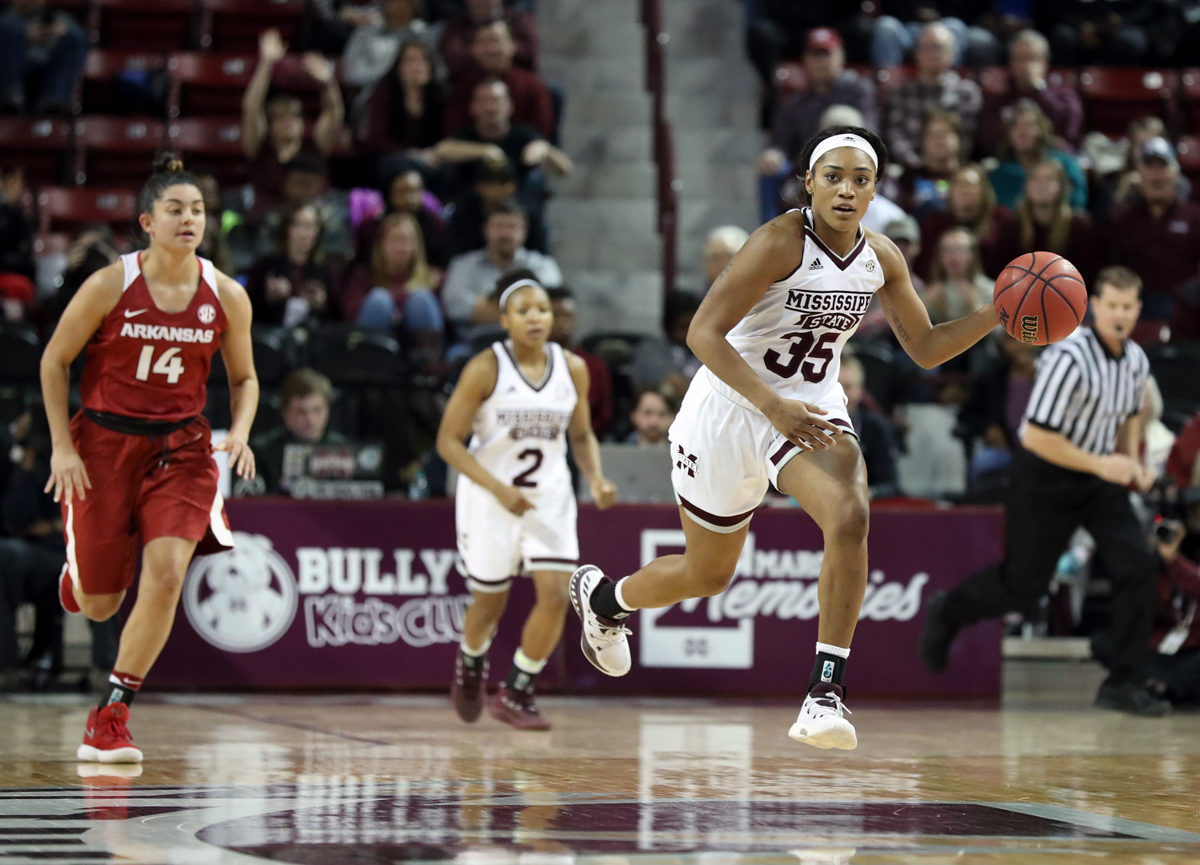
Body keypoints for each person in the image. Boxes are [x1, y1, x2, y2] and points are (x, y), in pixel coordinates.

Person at [568, 126, 1000, 750]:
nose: (847, 191)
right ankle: (606, 598)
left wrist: (995, 314)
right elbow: (703, 335)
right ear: (809, 182)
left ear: (876, 189)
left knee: (850, 516)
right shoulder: (777, 242)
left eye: (861, 180)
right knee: (707, 574)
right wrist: (772, 406)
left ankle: (824, 693)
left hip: (811, 406)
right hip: (730, 406)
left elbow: (927, 349)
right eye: (834, 177)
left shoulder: (883, 257)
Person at [39, 153, 258, 761]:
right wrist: (61, 447)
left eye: (197, 210)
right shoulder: (112, 283)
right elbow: (53, 361)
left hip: (182, 448)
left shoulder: (226, 295)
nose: (189, 219)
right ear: (147, 221)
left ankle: (111, 714)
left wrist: (239, 430)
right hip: (103, 444)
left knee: (166, 576)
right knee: (100, 601)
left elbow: (244, 379)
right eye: (175, 209)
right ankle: (79, 575)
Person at [921, 266, 1168, 717]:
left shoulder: (1136, 360)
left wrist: (1133, 461)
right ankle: (949, 610)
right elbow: (1034, 436)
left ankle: (1123, 680)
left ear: (1138, 310)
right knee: (1023, 588)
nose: (1119, 314)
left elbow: (1131, 413)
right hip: (1045, 476)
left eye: (1128, 307)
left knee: (1139, 565)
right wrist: (1104, 464)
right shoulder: (1068, 356)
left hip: (1098, 479)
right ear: (1094, 304)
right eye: (1111, 305)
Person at [437, 271, 616, 730]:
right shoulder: (485, 367)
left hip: (548, 498)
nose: (536, 318)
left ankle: (517, 690)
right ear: (505, 320)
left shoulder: (571, 367)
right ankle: (472, 661)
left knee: (556, 595)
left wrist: (595, 478)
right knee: (489, 605)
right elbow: (448, 442)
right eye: (524, 311)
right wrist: (497, 488)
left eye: (543, 310)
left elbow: (581, 434)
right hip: (490, 497)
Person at [242, 30, 346, 219]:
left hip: (312, 223)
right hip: (267, 223)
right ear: (270, 125)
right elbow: (251, 108)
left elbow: (334, 114)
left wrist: (328, 82)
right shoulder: (260, 147)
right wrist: (266, 64)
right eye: (281, 118)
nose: (288, 122)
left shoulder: (314, 145)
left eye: (295, 117)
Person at [755, 28, 877, 185]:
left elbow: (871, 131)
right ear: (805, 60)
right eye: (815, 55)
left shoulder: (858, 91)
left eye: (826, 54)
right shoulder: (795, 102)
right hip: (807, 170)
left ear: (841, 56)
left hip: (852, 163)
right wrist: (773, 154)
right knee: (770, 169)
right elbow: (780, 144)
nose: (821, 62)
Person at [1103, 138, 1200, 333]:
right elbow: (1107, 267)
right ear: (1139, 174)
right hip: (1132, 302)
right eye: (1150, 167)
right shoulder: (1120, 217)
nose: (1156, 176)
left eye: (1163, 167)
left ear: (1176, 173)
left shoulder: (1194, 217)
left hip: (1181, 304)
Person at [338, 212, 444, 366]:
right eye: (394, 240)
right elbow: (351, 313)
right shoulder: (362, 276)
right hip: (375, 350)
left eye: (406, 240)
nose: (400, 246)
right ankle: (370, 368)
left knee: (421, 298)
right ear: (381, 244)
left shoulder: (434, 278)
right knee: (379, 299)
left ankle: (428, 371)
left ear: (417, 245)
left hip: (419, 350)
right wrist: (399, 299)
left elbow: (447, 318)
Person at [442, 199, 561, 337]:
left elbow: (554, 304)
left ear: (524, 231)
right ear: (486, 230)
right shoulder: (463, 265)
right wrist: (525, 309)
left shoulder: (542, 265)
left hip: (530, 343)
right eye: (499, 226)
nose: (505, 233)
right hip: (475, 345)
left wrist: (486, 305)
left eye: (512, 227)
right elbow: (455, 307)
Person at [883, 22, 982, 168]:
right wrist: (917, 166)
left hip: (954, 169)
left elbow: (967, 137)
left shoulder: (966, 92)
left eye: (937, 48)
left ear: (952, 54)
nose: (931, 53)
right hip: (910, 169)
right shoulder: (901, 93)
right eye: (925, 47)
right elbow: (896, 136)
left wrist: (944, 165)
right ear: (916, 53)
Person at [975, 30, 1083, 157]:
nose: (1026, 65)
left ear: (1045, 62)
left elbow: (1069, 135)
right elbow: (988, 141)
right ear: (1011, 63)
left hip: (1051, 164)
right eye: (1020, 58)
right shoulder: (997, 101)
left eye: (1033, 58)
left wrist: (1040, 92)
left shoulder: (1064, 98)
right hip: (1010, 163)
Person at [443, 20, 553, 139]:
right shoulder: (462, 88)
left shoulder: (533, 87)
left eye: (497, 41)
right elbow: (452, 134)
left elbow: (542, 135)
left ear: (512, 46)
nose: (492, 49)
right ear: (473, 49)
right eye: (484, 43)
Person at [247, 368, 347, 496]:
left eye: (317, 410)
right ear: (284, 411)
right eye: (301, 411)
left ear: (328, 409)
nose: (310, 419)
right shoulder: (260, 452)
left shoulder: (344, 450)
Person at [1005, 158, 1098, 287]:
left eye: (1048, 179)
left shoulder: (1079, 226)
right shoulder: (1013, 224)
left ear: (1062, 187)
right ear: (1026, 186)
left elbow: (1088, 274)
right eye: (1035, 179)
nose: (1040, 184)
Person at [245, 203, 338, 329]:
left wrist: (322, 304)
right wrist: (268, 298)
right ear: (287, 228)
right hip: (271, 335)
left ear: (317, 232)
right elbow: (247, 311)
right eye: (298, 225)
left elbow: (337, 320)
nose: (303, 233)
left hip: (312, 339)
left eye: (309, 226)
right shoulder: (265, 265)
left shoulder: (325, 270)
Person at [354, 39, 446, 164]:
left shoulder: (439, 97)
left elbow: (446, 137)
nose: (419, 66)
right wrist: (413, 154)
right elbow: (376, 140)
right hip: (387, 159)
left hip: (431, 160)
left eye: (425, 60)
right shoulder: (383, 94)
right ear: (398, 67)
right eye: (411, 61)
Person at [915, 164, 1014, 280]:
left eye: (969, 185)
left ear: (984, 191)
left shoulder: (1001, 220)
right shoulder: (935, 222)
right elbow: (923, 265)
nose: (963, 190)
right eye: (957, 184)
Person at [987, 100, 1086, 211]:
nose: (1022, 132)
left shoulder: (1066, 164)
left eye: (1029, 125)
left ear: (1041, 129)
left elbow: (1078, 201)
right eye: (1015, 126)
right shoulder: (1001, 173)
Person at [546, 286, 612, 439]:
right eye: (556, 316)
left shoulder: (595, 367)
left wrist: (577, 436)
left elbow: (604, 417)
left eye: (568, 316)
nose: (563, 322)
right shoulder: (527, 366)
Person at [0, 0, 87, 115]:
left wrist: (61, 33)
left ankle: (54, 104)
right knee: (8, 28)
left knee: (76, 36)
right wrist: (25, 35)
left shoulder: (60, 18)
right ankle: (10, 100)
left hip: (48, 74)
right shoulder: (4, 18)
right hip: (12, 75)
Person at [839, 355, 901, 499]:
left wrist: (865, 494)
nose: (842, 395)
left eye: (848, 387)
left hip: (864, 509)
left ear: (861, 390)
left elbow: (891, 484)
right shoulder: (806, 424)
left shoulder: (875, 428)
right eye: (837, 386)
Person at [341, 0, 439, 88]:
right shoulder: (365, 35)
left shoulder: (427, 34)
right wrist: (390, 75)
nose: (403, 5)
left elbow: (440, 72)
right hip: (374, 96)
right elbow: (352, 73)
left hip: (423, 98)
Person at [888, 109, 961, 223]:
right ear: (923, 141)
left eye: (944, 133)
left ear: (958, 139)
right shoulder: (909, 177)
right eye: (933, 134)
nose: (939, 140)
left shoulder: (966, 176)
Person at [440, 0, 539, 77]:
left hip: (518, 84)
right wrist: (480, 52)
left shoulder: (519, 19)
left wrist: (508, 49)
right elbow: (451, 54)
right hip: (470, 88)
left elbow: (530, 48)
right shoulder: (456, 25)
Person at [702, 227, 750, 294]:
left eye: (729, 257)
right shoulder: (694, 302)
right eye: (715, 258)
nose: (722, 264)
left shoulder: (763, 299)